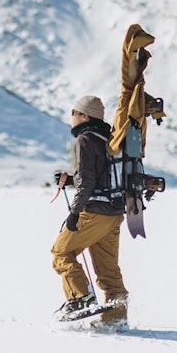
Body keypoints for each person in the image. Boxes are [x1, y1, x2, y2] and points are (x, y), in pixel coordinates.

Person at [50, 95, 128, 325]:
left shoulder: (84, 140)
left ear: (85, 116)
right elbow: (97, 177)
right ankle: (116, 319)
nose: (72, 116)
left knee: (62, 252)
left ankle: (80, 299)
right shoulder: (109, 139)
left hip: (93, 212)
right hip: (114, 214)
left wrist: (74, 213)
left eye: (75, 112)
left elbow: (87, 182)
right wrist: (69, 179)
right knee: (109, 272)